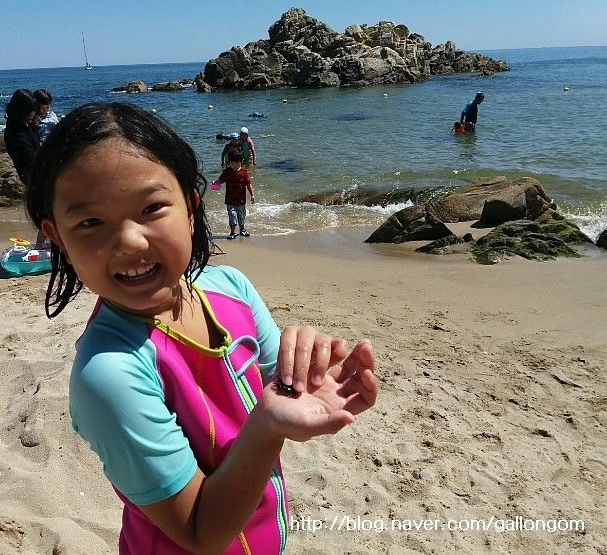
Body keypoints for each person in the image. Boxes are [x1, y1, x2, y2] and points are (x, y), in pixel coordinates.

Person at [25, 101, 378, 554]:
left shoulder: (229, 286)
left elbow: (282, 387)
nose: (130, 241)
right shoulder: (110, 375)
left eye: (152, 207)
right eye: (91, 222)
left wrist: (311, 371)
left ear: (190, 208)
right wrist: (267, 428)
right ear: (59, 239)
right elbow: (200, 532)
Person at [214, 150, 255, 239]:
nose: (234, 165)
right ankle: (232, 232)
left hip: (241, 200)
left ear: (241, 162)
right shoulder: (227, 171)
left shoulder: (244, 173)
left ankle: (242, 230)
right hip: (230, 199)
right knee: (232, 215)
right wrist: (215, 183)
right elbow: (220, 180)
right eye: (232, 163)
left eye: (236, 163)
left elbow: (248, 185)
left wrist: (252, 195)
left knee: (241, 216)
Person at [4, 88, 40, 185]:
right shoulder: (15, 133)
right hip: (34, 177)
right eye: (30, 111)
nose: (33, 114)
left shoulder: (24, 124)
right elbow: (31, 160)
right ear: (21, 111)